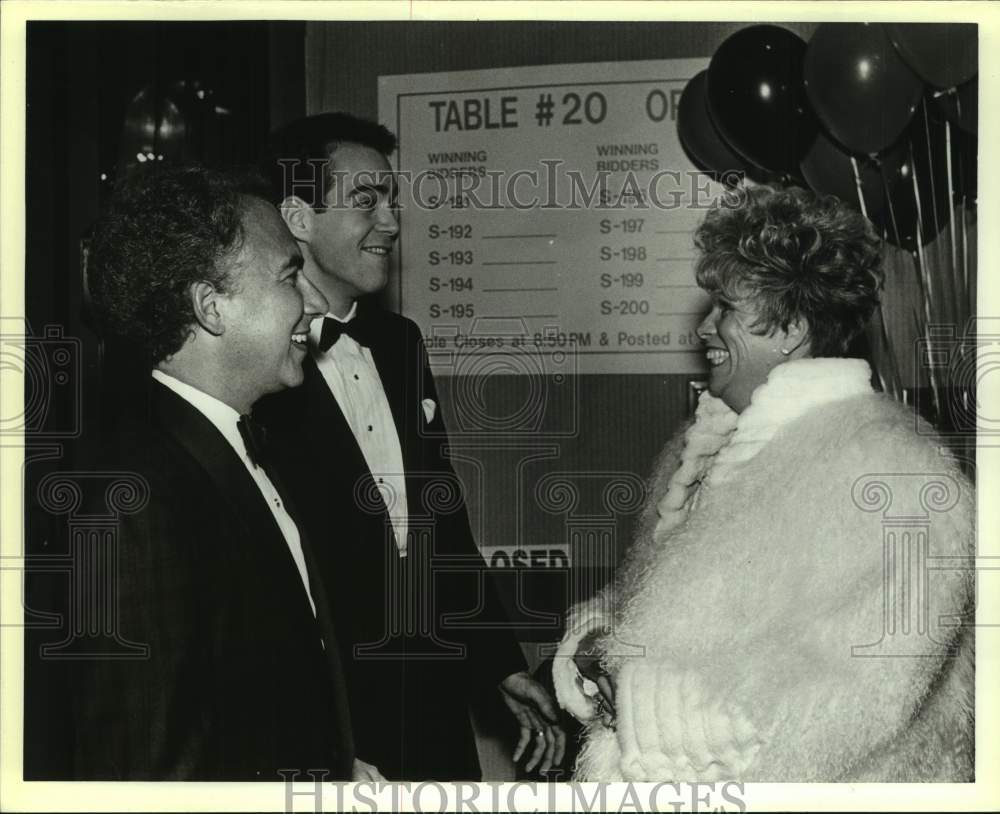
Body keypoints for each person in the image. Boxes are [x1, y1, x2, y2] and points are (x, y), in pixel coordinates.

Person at [553, 185, 975, 782]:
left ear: (791, 329)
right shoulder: (701, 453)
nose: (703, 328)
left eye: (724, 307)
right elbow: (658, 618)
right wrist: (600, 644)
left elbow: (849, 703)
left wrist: (639, 689)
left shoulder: (892, 471)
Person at [256, 112, 565, 780]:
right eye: (366, 201)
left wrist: (501, 666)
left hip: (429, 705)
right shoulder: (255, 363)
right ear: (297, 217)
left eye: (391, 200)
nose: (392, 223)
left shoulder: (400, 343)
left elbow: (439, 523)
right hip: (325, 720)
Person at [26, 166, 355, 780]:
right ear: (211, 308)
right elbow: (142, 768)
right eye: (290, 276)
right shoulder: (129, 501)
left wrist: (335, 770)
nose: (315, 302)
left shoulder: (233, 445)